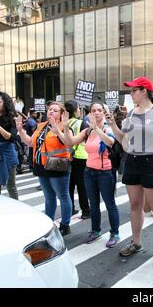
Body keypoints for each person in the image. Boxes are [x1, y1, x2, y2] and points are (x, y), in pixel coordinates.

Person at [107, 77, 153, 266]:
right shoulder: (130, 114)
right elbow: (125, 143)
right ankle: (136, 242)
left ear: (144, 91)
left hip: (152, 162)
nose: (131, 94)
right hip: (133, 162)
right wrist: (113, 125)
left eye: (134, 90)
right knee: (135, 205)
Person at [64, 102, 120, 247]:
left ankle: (115, 233)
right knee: (93, 205)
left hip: (106, 172)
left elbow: (110, 142)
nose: (96, 113)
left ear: (104, 112)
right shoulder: (87, 131)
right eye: (93, 110)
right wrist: (64, 127)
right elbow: (70, 142)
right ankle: (95, 231)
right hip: (89, 172)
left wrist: (96, 128)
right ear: (89, 113)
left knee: (110, 204)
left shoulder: (108, 128)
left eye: (99, 110)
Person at [15, 102, 74, 236]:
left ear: (61, 114)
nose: (51, 112)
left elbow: (68, 143)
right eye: (50, 109)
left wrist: (59, 130)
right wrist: (20, 131)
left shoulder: (64, 127)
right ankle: (49, 223)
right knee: (49, 198)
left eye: (55, 110)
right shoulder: (40, 126)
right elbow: (30, 142)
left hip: (57, 165)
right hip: (41, 166)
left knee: (63, 196)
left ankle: (65, 225)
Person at [65, 100, 91, 219]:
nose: (80, 111)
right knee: (81, 185)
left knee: (69, 185)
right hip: (81, 156)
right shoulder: (81, 123)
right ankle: (85, 211)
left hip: (66, 157)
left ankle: (69, 210)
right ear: (75, 110)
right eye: (78, 108)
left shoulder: (62, 123)